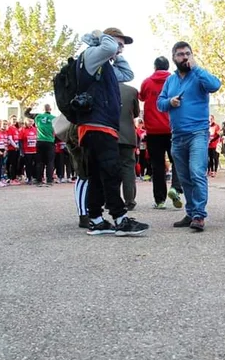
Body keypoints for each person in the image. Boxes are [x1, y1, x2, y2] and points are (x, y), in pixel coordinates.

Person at [77, 27, 149, 236]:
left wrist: (116, 55)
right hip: (97, 124)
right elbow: (107, 46)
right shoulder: (92, 55)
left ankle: (96, 220)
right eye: (119, 43)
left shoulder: (104, 64)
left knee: (98, 176)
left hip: (100, 125)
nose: (121, 47)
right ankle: (120, 218)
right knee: (111, 172)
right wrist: (101, 36)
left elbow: (127, 74)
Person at [157, 41, 222, 232]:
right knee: (184, 177)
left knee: (196, 172)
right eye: (180, 54)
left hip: (198, 133)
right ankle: (191, 212)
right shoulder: (170, 80)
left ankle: (199, 215)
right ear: (173, 58)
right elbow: (159, 103)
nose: (184, 57)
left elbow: (215, 85)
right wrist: (170, 101)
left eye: (187, 53)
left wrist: (197, 67)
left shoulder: (199, 75)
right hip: (177, 135)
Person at [139, 56, 183, 210]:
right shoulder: (175, 80)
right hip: (172, 127)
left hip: (153, 130)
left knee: (157, 165)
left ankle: (160, 200)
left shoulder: (147, 82)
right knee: (177, 160)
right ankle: (176, 188)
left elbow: (142, 97)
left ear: (155, 66)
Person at [118, 82, 140, 211]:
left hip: (109, 133)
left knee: (109, 168)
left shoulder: (103, 87)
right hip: (127, 134)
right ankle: (129, 200)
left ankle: (110, 199)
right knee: (128, 168)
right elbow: (136, 113)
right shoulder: (132, 90)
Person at [25, 104, 57, 187]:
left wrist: (30, 106)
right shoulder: (54, 118)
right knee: (50, 162)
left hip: (40, 141)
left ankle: (39, 180)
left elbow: (26, 114)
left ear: (43, 109)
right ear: (50, 109)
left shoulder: (38, 117)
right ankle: (49, 180)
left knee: (39, 162)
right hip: (50, 141)